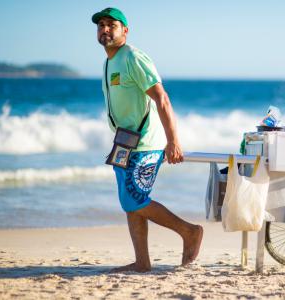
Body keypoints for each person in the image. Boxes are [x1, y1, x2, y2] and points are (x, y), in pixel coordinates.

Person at [92, 7, 203, 273]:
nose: (105, 29)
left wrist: (173, 141)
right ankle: (142, 261)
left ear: (125, 31)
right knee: (129, 203)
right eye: (101, 25)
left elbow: (162, 98)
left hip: (146, 143)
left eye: (112, 25)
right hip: (124, 142)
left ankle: (189, 232)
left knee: (135, 199)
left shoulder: (133, 57)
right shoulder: (110, 61)